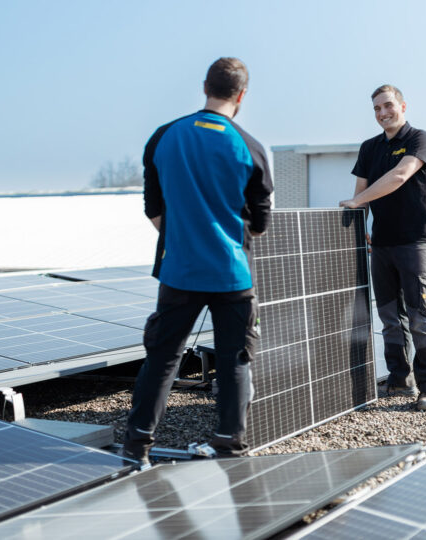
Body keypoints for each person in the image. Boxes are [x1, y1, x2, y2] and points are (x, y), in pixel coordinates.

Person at [122, 57, 273, 466]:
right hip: (232, 275)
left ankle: (136, 449)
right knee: (234, 362)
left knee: (163, 360)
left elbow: (153, 209)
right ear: (242, 95)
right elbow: (259, 225)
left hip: (179, 272)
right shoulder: (252, 148)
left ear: (205, 85)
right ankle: (229, 445)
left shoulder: (163, 137)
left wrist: (185, 238)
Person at [339, 84, 426, 412]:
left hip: (416, 241)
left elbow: (399, 176)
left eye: (388, 106)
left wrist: (358, 200)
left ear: (402, 106)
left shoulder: (419, 139)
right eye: (376, 109)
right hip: (382, 243)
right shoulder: (369, 148)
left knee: (420, 316)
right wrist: (359, 229)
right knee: (388, 317)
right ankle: (399, 379)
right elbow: (362, 195)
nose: (383, 113)